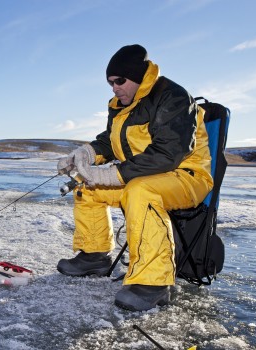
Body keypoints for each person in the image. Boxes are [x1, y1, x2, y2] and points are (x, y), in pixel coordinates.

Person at [56, 44, 214, 311]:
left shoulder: (172, 96)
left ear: (138, 76)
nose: (114, 87)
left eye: (120, 80)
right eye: (110, 83)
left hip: (186, 177)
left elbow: (168, 153)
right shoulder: (120, 105)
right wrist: (85, 154)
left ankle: (153, 283)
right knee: (87, 188)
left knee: (140, 191)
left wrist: (113, 174)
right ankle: (95, 255)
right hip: (143, 175)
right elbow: (110, 141)